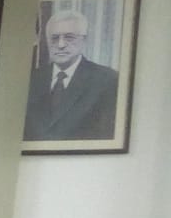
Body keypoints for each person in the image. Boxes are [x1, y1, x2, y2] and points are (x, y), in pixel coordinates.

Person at [23, 9, 119, 142]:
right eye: (54, 38)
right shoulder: (31, 79)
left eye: (69, 37)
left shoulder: (107, 80)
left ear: (84, 40)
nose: (61, 45)